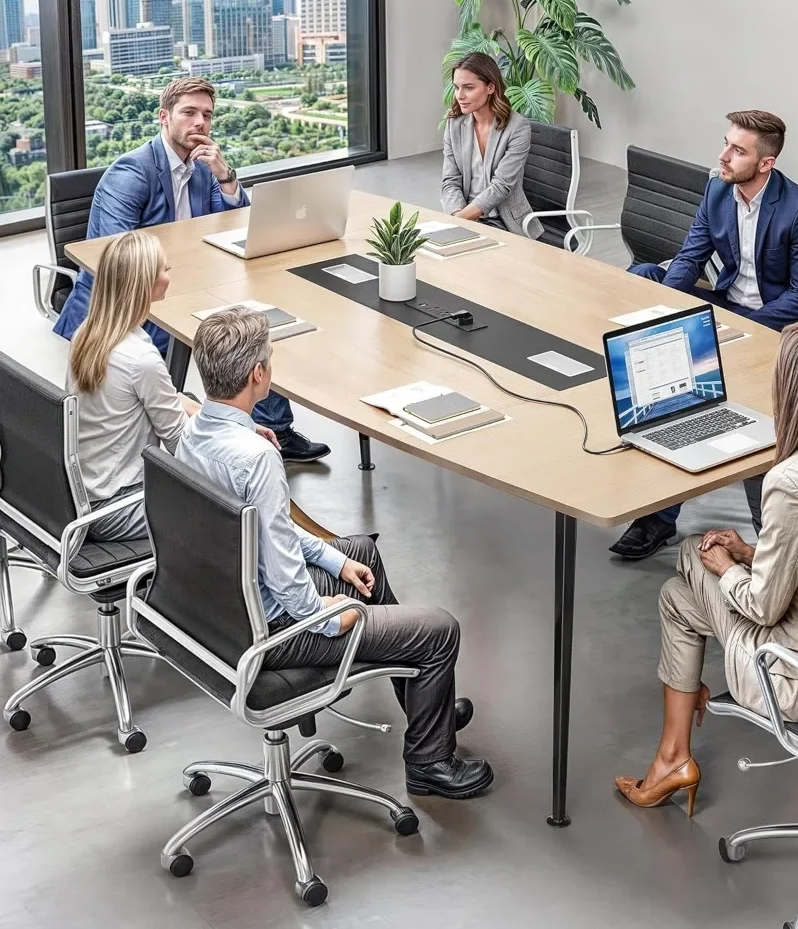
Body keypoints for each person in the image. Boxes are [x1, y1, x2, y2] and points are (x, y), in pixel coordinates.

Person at [175, 306, 494, 799]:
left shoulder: (193, 432)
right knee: (439, 630)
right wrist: (324, 617)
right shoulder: (255, 457)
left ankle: (425, 711)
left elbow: (266, 529)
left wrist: (336, 561)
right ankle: (430, 764)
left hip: (222, 608)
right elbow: (282, 572)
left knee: (361, 552)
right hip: (273, 629)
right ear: (258, 374)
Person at [613, 319, 798, 811]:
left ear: (794, 387)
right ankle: (672, 758)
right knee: (677, 600)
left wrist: (725, 565)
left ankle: (673, 759)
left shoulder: (793, 480)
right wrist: (750, 553)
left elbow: (763, 607)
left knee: (689, 555)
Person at [54, 76, 329, 465]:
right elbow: (117, 259)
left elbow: (238, 227)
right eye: (189, 113)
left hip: (184, 286)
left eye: (207, 115)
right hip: (127, 305)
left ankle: (276, 433)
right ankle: (227, 446)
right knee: (210, 348)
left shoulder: (202, 169)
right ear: (164, 117)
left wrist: (225, 176)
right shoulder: (131, 174)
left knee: (257, 321)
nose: (199, 123)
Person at [611, 110, 798, 560]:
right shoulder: (718, 189)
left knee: (703, 394)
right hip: (730, 306)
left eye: (738, 150)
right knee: (647, 278)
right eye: (726, 143)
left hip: (785, 323)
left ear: (766, 164)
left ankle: (763, 534)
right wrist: (669, 312)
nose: (723, 156)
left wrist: (737, 330)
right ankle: (659, 516)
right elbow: (691, 256)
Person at [67, 230, 281, 542]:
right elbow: (183, 446)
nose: (169, 274)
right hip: (118, 507)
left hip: (87, 490)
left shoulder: (89, 333)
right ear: (145, 285)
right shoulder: (141, 358)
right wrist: (240, 439)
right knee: (245, 509)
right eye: (164, 270)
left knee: (193, 400)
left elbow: (166, 397)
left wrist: (239, 426)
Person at [441, 52, 542, 239]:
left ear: (490, 87)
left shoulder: (517, 127)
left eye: (468, 88)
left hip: (504, 221)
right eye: (456, 87)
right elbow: (450, 181)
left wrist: (458, 222)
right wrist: (457, 214)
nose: (460, 96)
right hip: (463, 213)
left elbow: (501, 187)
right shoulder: (454, 123)